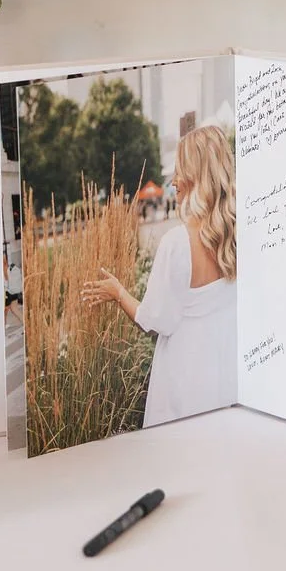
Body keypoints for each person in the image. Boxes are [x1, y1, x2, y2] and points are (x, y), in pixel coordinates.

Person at [81, 124, 239, 426]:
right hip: (225, 374)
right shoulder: (236, 234)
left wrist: (118, 293)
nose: (174, 182)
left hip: (184, 381)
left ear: (197, 177)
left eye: (181, 171)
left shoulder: (177, 243)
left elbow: (154, 322)